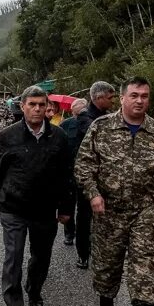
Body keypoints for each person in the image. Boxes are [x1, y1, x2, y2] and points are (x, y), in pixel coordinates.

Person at [74, 77, 154, 306]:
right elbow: (83, 167)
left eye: (144, 96)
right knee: (107, 267)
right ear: (122, 98)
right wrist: (93, 194)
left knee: (143, 264)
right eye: (134, 95)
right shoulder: (101, 127)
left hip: (142, 210)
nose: (139, 100)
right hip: (109, 211)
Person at [0, 86, 73, 306]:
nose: (36, 109)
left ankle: (34, 290)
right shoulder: (8, 136)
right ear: (22, 106)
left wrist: (66, 208)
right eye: (31, 104)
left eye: (41, 105)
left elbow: (66, 175)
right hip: (14, 207)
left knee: (41, 258)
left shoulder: (59, 137)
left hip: (45, 209)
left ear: (48, 108)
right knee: (13, 258)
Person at [71, 81, 115, 269]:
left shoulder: (107, 117)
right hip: (87, 175)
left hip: (106, 176)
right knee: (84, 216)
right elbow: (100, 136)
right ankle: (83, 253)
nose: (112, 102)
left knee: (105, 216)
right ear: (98, 97)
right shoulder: (84, 117)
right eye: (109, 98)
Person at [59, 98, 89, 246]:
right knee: (68, 205)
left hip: (87, 174)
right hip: (69, 172)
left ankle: (84, 235)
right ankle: (69, 233)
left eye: (83, 108)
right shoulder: (65, 124)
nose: (81, 110)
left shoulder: (92, 124)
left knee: (84, 208)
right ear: (72, 110)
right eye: (78, 108)